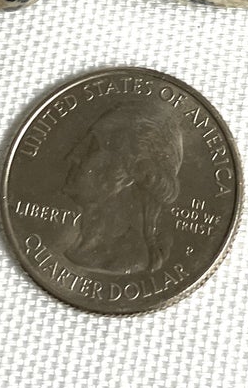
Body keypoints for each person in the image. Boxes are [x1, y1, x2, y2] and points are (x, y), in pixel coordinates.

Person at [60, 99, 184, 276]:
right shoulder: (79, 249)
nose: (73, 156)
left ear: (128, 174)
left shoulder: (126, 259)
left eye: (92, 148)